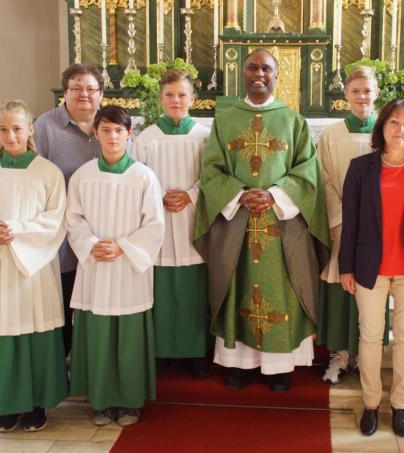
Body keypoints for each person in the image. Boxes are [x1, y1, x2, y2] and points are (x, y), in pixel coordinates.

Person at [193, 48, 329, 392]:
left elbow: (307, 173)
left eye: (266, 69)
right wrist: (240, 194)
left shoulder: (293, 121)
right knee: (238, 288)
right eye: (252, 67)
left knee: (279, 291)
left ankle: (279, 366)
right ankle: (240, 364)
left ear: (276, 75)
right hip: (237, 221)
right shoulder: (225, 121)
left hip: (280, 225)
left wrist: (274, 195)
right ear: (242, 73)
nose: (259, 74)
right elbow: (211, 171)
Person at [0, 100, 68, 432]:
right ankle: (5, 404)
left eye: (17, 128)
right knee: (1, 329)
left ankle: (36, 405)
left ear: (31, 129)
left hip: (32, 267)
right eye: (3, 129)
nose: (11, 135)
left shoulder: (47, 172)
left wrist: (18, 232)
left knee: (35, 329)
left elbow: (55, 219)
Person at [339, 99, 404, 438]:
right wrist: (346, 266)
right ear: (382, 126)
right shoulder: (360, 167)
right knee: (369, 337)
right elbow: (350, 221)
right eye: (394, 123)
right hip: (370, 266)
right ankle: (371, 404)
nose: (400, 130)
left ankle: (400, 404)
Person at [66, 106, 165, 427]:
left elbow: (154, 224)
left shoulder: (144, 176)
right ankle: (102, 401)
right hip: (95, 264)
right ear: (96, 133)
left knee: (128, 338)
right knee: (99, 336)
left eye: (118, 130)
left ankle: (129, 402)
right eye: (106, 130)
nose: (112, 137)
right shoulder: (83, 175)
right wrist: (92, 244)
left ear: (129, 134)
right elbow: (74, 219)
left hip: (128, 268)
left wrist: (122, 246)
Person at [130, 69, 212, 378]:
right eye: (169, 95)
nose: (176, 100)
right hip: (159, 223)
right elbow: (136, 179)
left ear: (193, 98)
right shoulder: (147, 138)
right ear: (160, 98)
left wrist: (190, 195)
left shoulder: (205, 136)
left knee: (193, 289)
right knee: (162, 289)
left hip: (193, 220)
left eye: (181, 94)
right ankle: (162, 349)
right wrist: (160, 196)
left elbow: (215, 177)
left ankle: (196, 352)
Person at [316, 65, 387, 384]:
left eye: (367, 91)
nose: (361, 97)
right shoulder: (331, 134)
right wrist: (345, 211)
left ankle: (365, 354)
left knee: (372, 284)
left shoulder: (387, 132)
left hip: (378, 226)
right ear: (345, 94)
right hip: (341, 222)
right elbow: (322, 177)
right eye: (355, 91)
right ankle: (340, 353)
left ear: (376, 94)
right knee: (340, 283)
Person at [34, 64, 104, 357]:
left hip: (101, 231)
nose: (83, 94)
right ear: (65, 93)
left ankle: (90, 367)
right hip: (61, 234)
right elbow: (33, 179)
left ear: (101, 93)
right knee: (62, 301)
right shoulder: (45, 127)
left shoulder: (109, 124)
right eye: (76, 88)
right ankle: (61, 365)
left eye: (90, 89)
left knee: (96, 302)